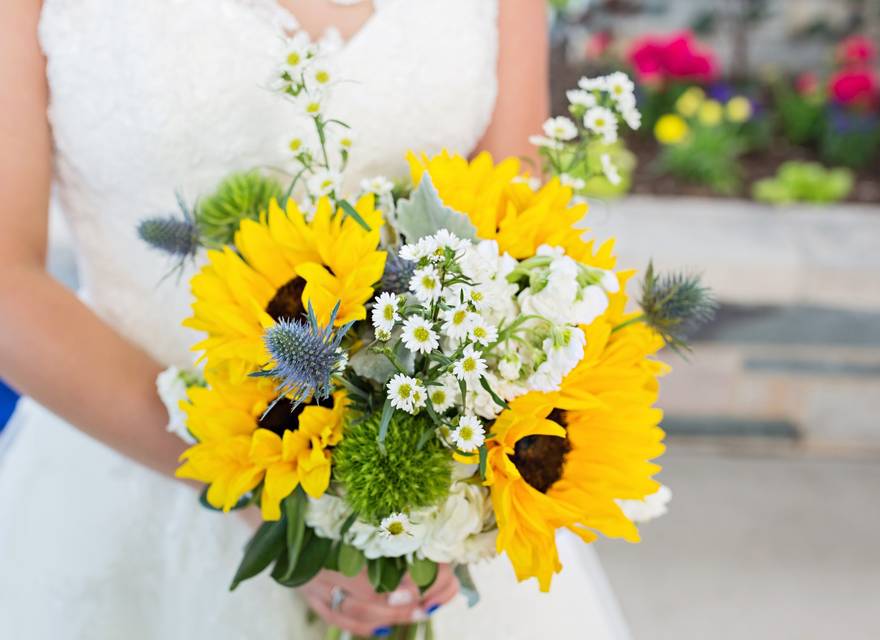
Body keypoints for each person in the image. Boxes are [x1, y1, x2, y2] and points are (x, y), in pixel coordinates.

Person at [0, 1, 632, 637]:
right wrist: (254, 482)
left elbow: (513, 228)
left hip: (423, 491)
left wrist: (435, 497)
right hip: (127, 465)